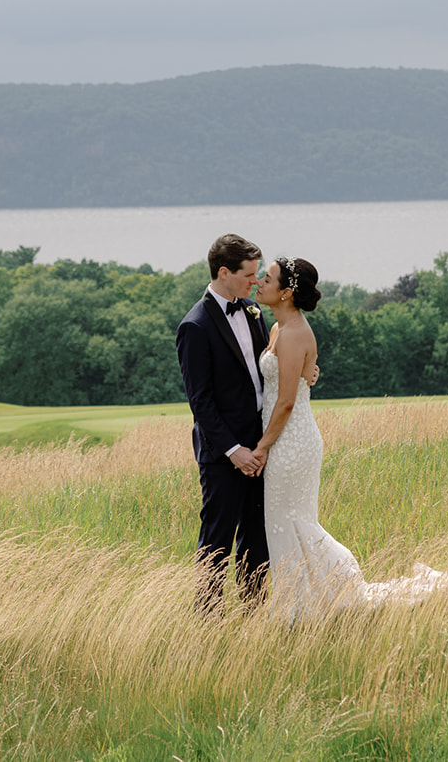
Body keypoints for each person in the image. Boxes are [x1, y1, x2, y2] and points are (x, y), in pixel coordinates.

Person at [250, 255, 448, 619]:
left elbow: (287, 401)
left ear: (286, 293)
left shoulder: (295, 333)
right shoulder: (276, 329)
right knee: (284, 520)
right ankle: (301, 603)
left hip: (291, 441)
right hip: (282, 439)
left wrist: (261, 447)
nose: (260, 281)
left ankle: (322, 593)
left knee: (295, 519)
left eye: (268, 278)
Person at [176, 233, 271, 615]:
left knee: (257, 537)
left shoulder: (252, 311)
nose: (255, 281)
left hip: (262, 448)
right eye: (249, 274)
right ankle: (209, 623)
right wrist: (234, 452)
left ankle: (253, 613)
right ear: (224, 272)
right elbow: (201, 402)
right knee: (217, 541)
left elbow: (265, 371)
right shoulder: (195, 327)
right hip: (223, 456)